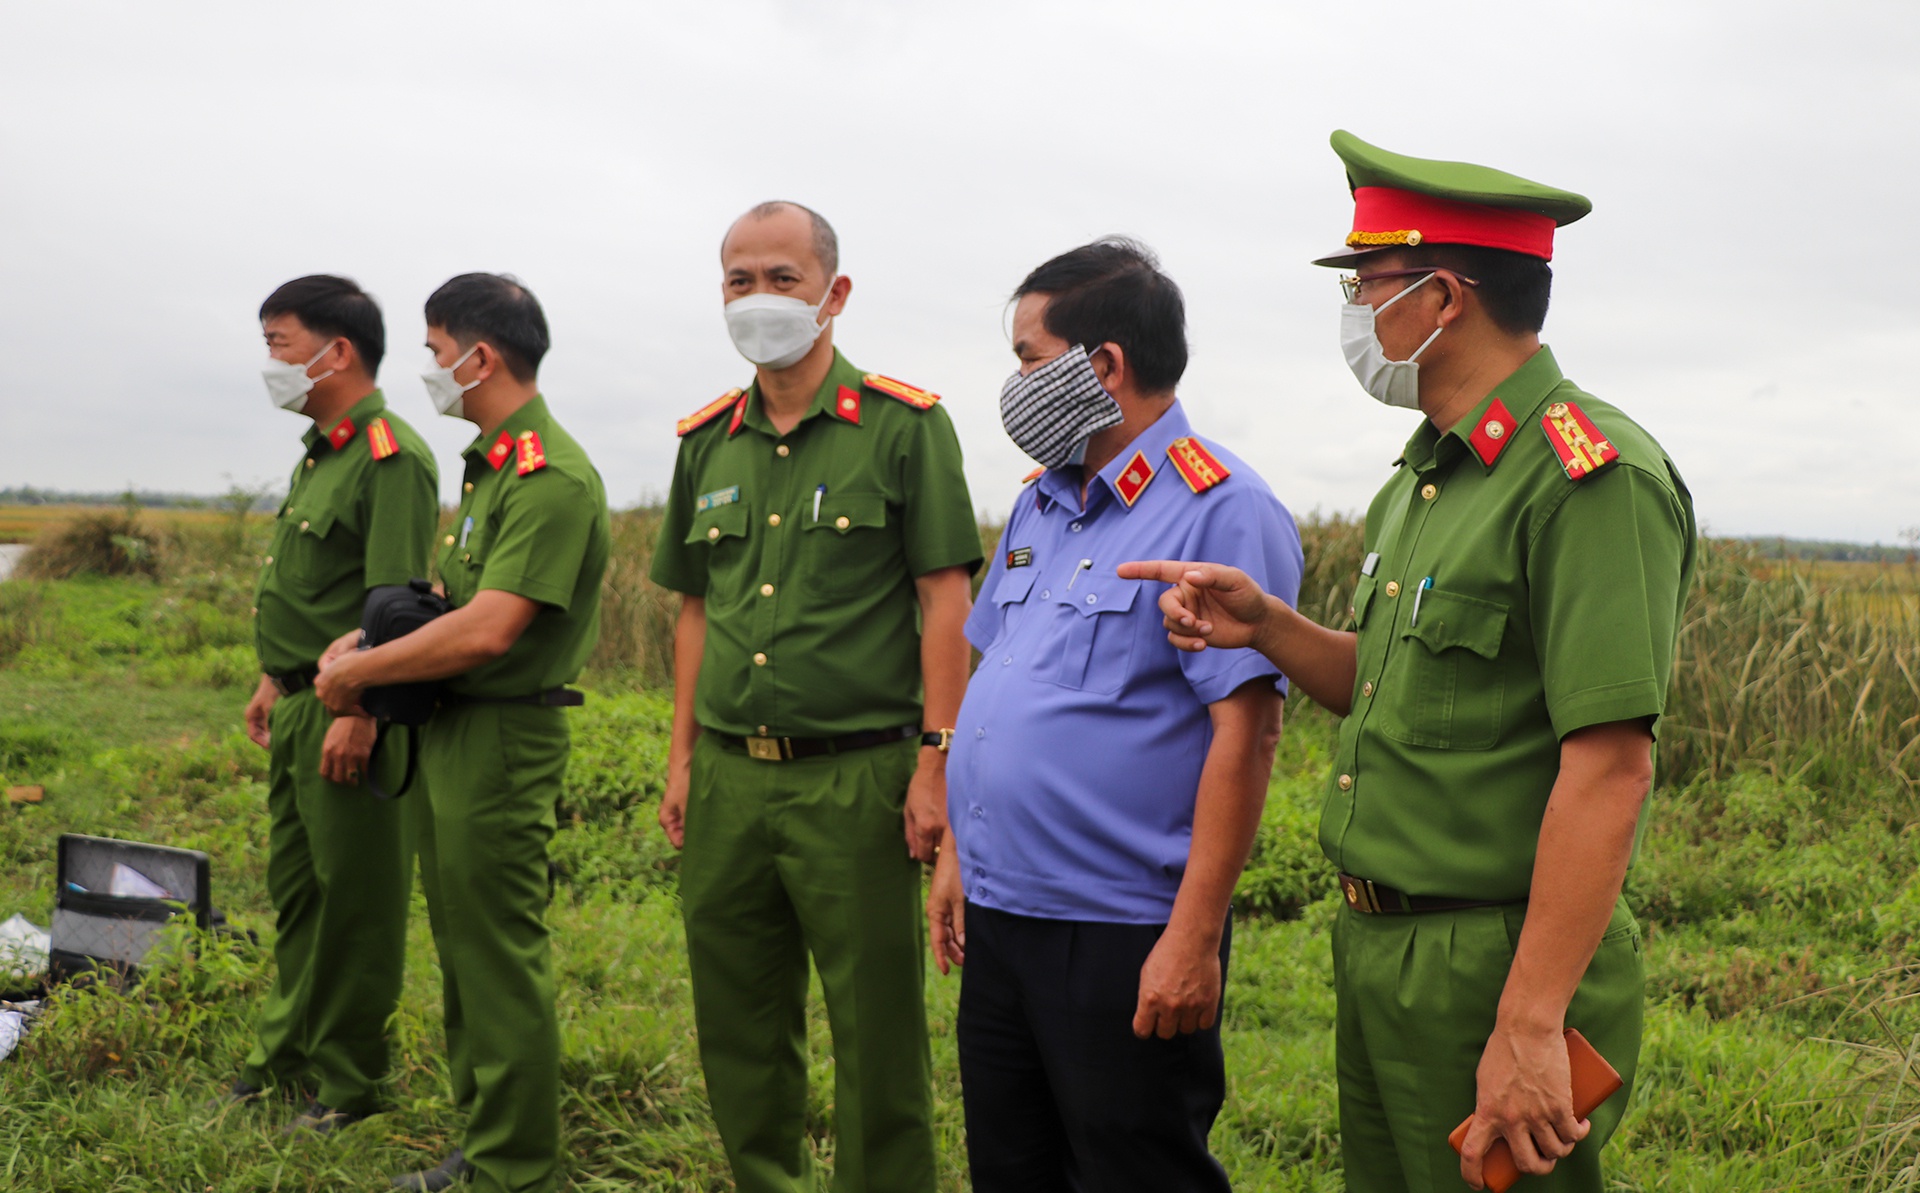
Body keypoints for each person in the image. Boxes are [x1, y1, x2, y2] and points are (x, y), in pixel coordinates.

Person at [1122, 131, 1697, 1192]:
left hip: (1493, 959)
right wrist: (1273, 627)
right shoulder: (1427, 475)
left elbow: (1611, 765)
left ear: (1440, 298)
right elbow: (1396, 687)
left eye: (1367, 285)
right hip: (1381, 949)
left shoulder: (1587, 476)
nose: (1354, 314)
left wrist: (1528, 1019)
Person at [927, 238, 1303, 1191]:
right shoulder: (1039, 506)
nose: (1013, 382)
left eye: (1026, 356)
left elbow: (1247, 731)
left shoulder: (1223, 508)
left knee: (1136, 1171)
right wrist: (960, 854)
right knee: (1012, 1168)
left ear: (1103, 366)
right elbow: (997, 686)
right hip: (1004, 915)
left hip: (1121, 928)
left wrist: (1194, 935)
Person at [649, 201, 983, 1193]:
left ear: (832, 293)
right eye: (738, 280)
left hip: (858, 780)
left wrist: (937, 761)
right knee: (738, 1021)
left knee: (877, 1029)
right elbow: (695, 611)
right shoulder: (707, 440)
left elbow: (944, 599)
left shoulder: (903, 428)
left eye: (781, 278)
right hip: (727, 779)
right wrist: (678, 760)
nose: (759, 298)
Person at [315, 273, 610, 1193]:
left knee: (496, 953)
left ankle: (517, 1166)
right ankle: (484, 1138)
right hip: (452, 732)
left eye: (437, 351)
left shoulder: (550, 476)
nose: (432, 368)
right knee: (461, 947)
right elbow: (447, 603)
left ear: (480, 357)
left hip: (503, 738)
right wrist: (366, 638)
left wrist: (356, 677)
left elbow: (491, 628)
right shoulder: (492, 466)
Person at [227, 274, 437, 1134]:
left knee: (356, 900)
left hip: (351, 707)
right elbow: (317, 591)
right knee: (300, 891)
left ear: (336, 351)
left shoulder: (391, 457)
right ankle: (285, 1052)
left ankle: (348, 1084)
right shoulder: (325, 451)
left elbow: (392, 605)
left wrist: (361, 711)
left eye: (279, 344)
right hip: (299, 701)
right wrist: (275, 677)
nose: (270, 363)